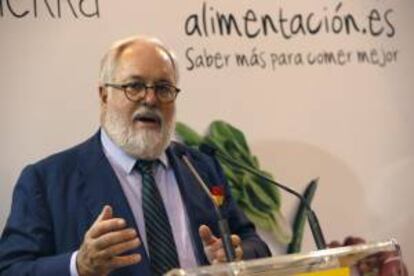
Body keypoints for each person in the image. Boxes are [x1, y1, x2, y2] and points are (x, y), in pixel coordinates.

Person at [0, 36, 271, 276]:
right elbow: (10, 268)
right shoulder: (47, 181)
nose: (150, 99)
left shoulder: (200, 167)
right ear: (104, 94)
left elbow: (253, 242)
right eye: (135, 86)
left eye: (163, 88)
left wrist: (236, 255)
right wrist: (78, 267)